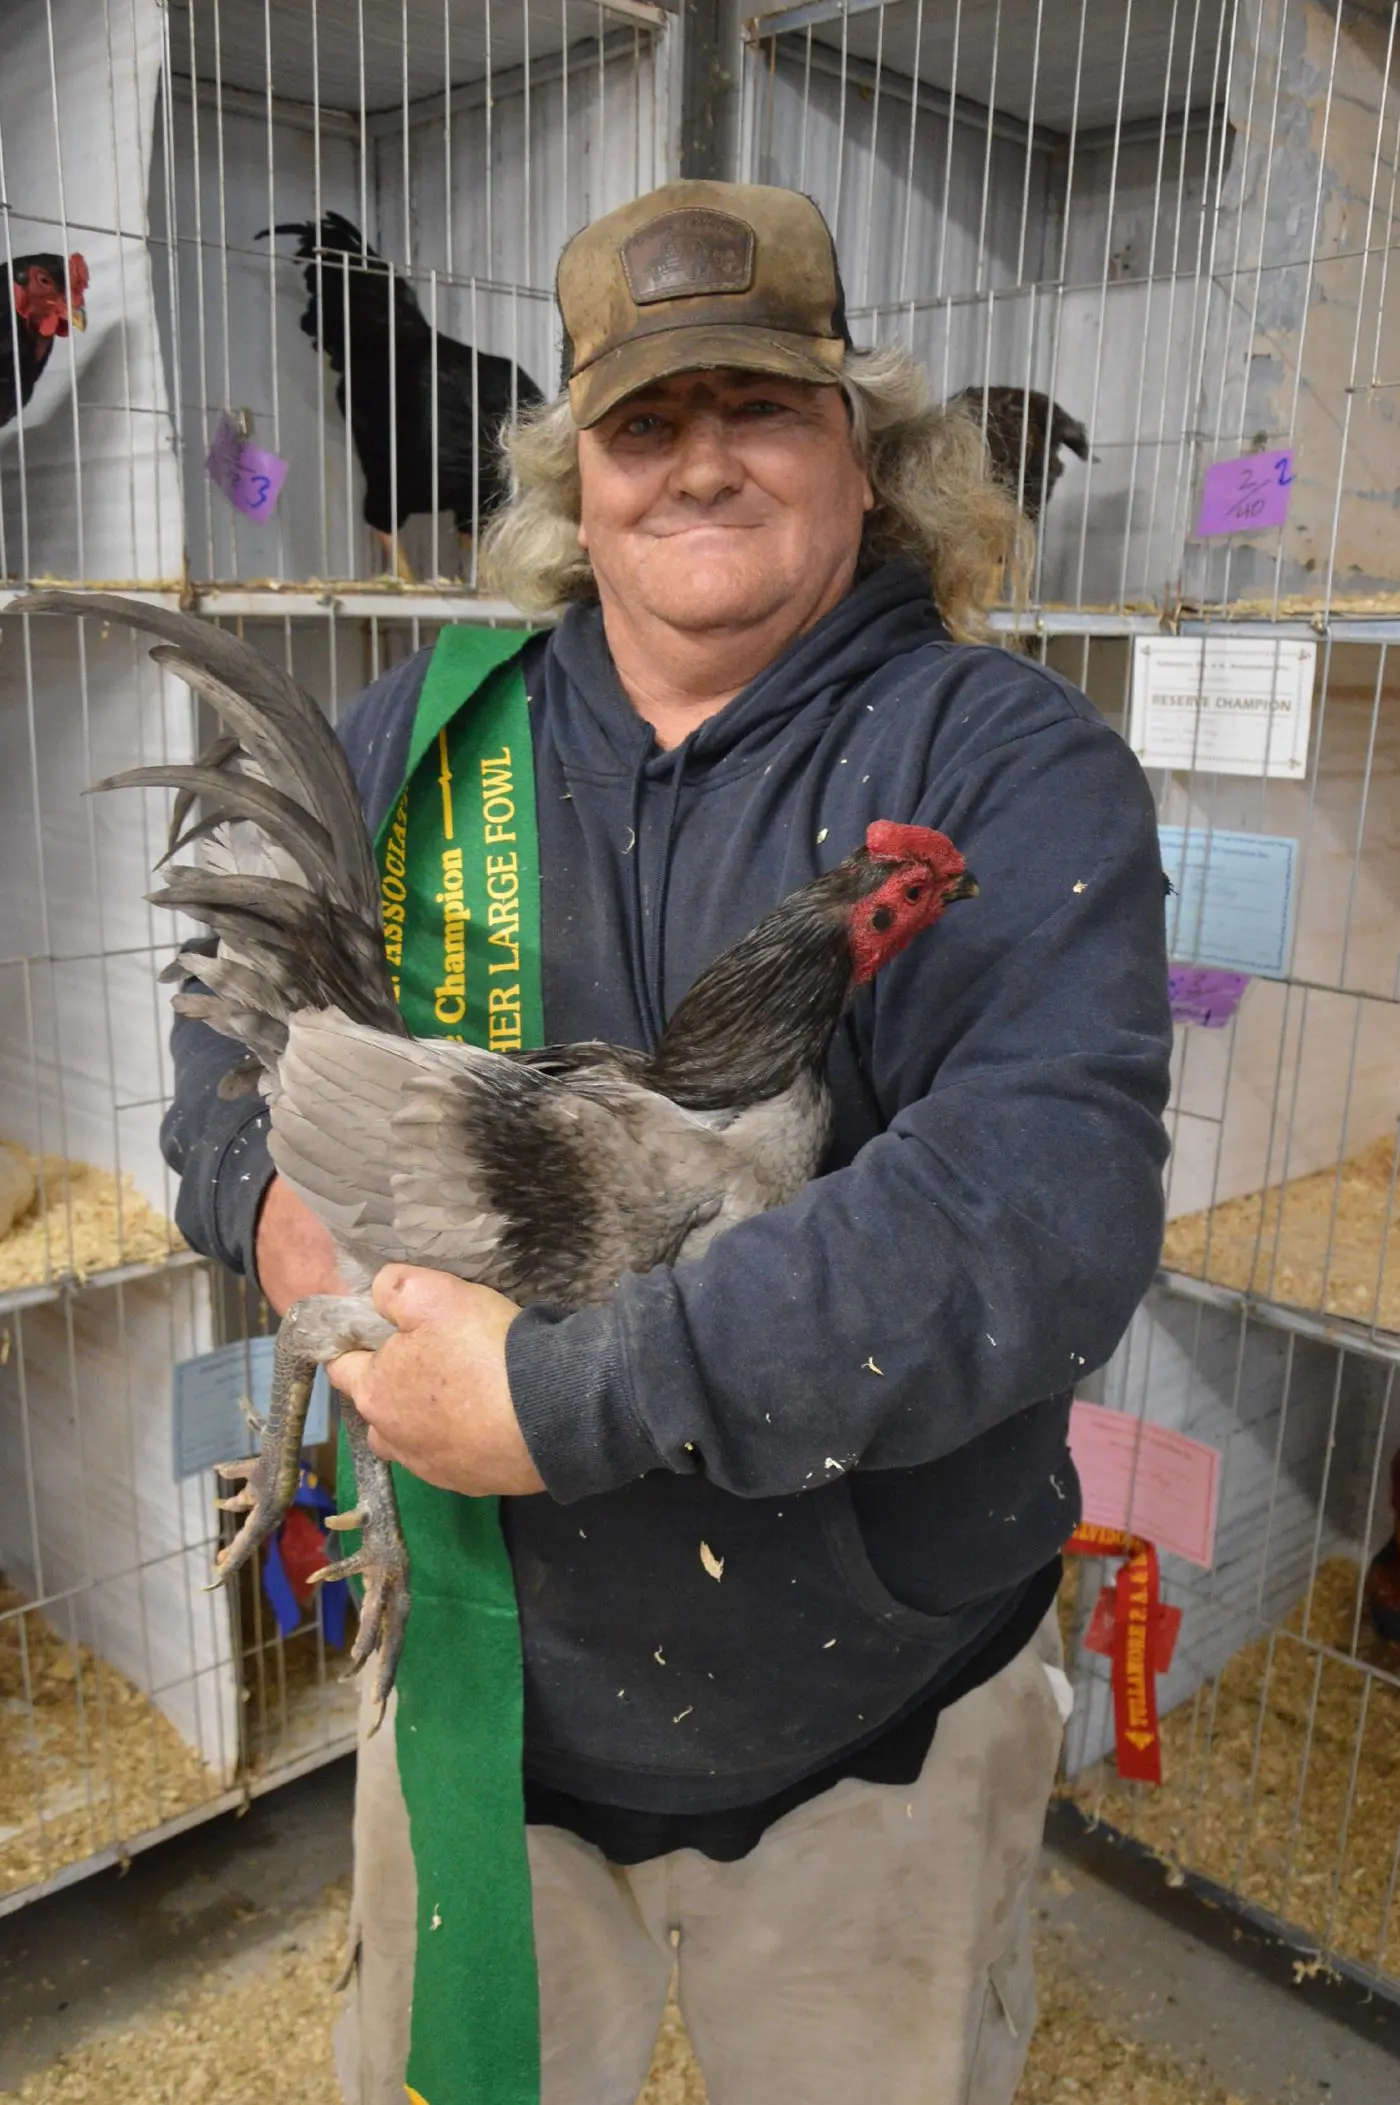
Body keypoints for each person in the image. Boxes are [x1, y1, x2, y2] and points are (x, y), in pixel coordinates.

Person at [163, 180, 1172, 2105]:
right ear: (579, 479)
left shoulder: (1003, 759)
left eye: (761, 408)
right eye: (645, 422)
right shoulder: (419, 737)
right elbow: (221, 1061)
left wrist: (562, 1398)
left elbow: (1035, 1212)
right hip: (478, 1697)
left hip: (870, 1730)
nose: (701, 462)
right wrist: (275, 1209)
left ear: (864, 454)